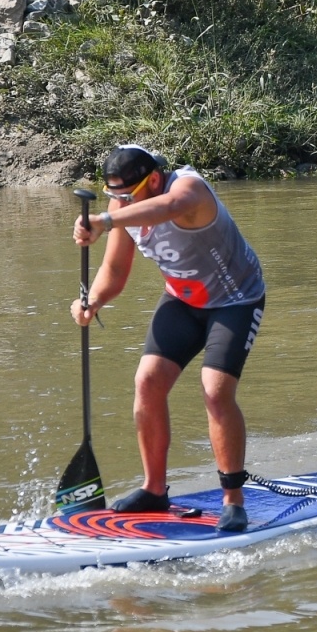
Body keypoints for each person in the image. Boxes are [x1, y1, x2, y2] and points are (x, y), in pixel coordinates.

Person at [70, 144, 265, 532]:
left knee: (214, 390)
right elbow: (115, 270)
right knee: (147, 381)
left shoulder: (189, 190)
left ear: (154, 180)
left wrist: (106, 219)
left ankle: (233, 500)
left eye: (126, 196)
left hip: (236, 299)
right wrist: (92, 302)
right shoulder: (126, 214)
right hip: (182, 300)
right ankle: (154, 489)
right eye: (114, 197)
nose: (120, 204)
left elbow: (167, 207)